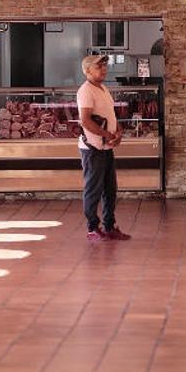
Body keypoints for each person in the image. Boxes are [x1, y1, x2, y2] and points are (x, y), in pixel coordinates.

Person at [77, 55, 131, 242]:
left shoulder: (103, 89)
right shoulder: (85, 91)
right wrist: (108, 135)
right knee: (93, 188)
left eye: (104, 65)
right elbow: (85, 120)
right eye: (98, 66)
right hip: (92, 147)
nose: (103, 69)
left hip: (106, 147)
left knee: (110, 189)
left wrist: (118, 132)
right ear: (87, 71)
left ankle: (109, 226)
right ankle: (93, 227)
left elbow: (110, 115)